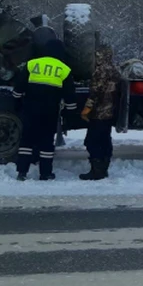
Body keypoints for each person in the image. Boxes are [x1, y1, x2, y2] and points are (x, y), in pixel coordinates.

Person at [13, 34, 77, 181]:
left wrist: (16, 102)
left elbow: (19, 86)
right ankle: (45, 173)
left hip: (30, 110)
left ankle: (22, 172)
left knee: (26, 140)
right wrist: (70, 113)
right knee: (46, 142)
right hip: (49, 112)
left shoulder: (32, 64)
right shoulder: (64, 69)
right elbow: (69, 95)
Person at [79, 44, 121, 180]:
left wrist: (87, 109)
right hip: (110, 113)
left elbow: (96, 92)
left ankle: (96, 171)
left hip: (98, 113)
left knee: (92, 141)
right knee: (105, 141)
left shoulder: (100, 71)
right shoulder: (115, 70)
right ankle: (104, 168)